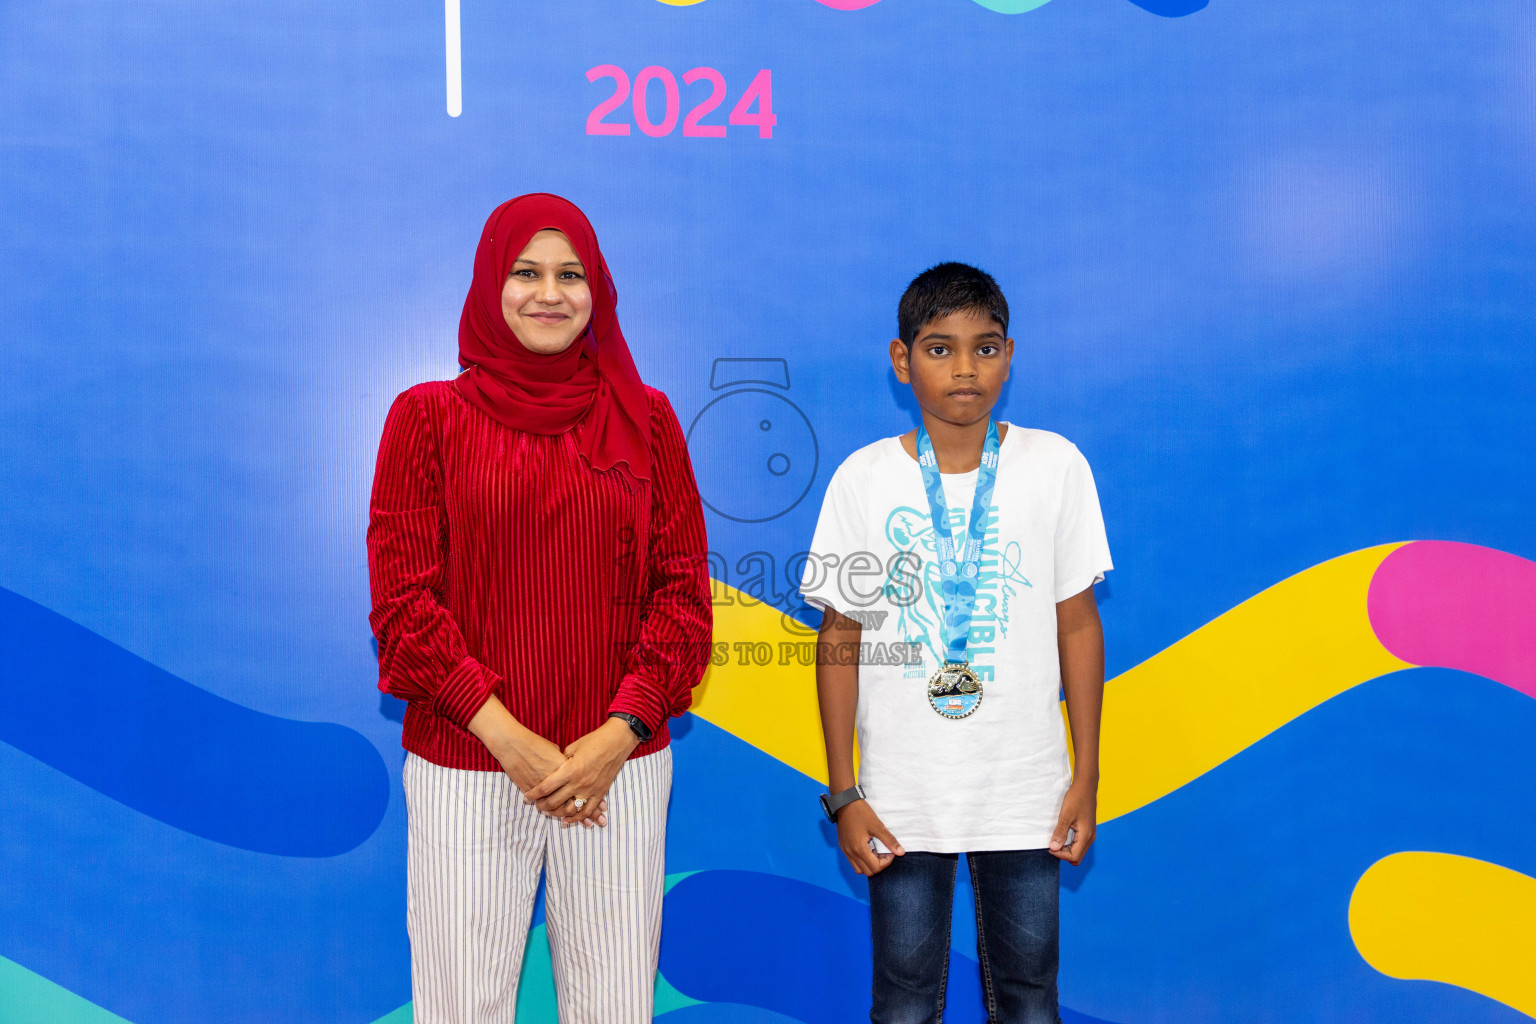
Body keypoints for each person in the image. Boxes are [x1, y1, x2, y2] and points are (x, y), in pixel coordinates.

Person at [367, 193, 712, 1023]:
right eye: (526, 272)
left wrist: (618, 734)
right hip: (468, 762)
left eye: (571, 275)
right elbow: (404, 605)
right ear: (493, 284)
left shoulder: (649, 419)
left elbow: (682, 596)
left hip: (617, 772)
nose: (548, 293)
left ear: (599, 293)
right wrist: (505, 736)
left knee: (613, 1006)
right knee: (460, 1007)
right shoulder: (426, 420)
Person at [801, 262, 1111, 1023]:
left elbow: (1078, 623)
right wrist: (845, 792)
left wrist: (1086, 775)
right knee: (904, 1001)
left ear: (1010, 355)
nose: (965, 368)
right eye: (939, 349)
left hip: (1027, 792)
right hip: (902, 797)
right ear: (902, 361)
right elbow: (839, 639)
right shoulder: (862, 479)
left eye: (985, 346)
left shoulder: (1057, 466)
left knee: (1031, 996)